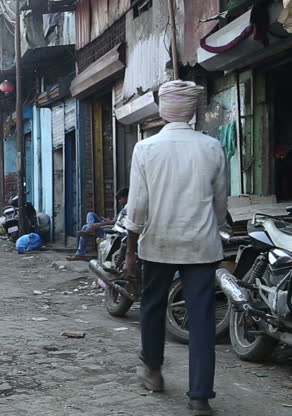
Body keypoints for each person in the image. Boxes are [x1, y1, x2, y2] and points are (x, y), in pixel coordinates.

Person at [123, 81, 227, 416]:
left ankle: (153, 372)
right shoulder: (212, 147)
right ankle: (199, 396)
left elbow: (137, 207)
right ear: (193, 109)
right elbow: (220, 204)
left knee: (152, 307)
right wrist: (215, 230)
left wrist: (130, 250)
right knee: (202, 319)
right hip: (201, 246)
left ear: (163, 109)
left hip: (158, 244)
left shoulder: (146, 148)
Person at [70, 188, 129, 261]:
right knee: (90, 214)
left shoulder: (128, 208)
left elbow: (116, 223)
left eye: (120, 199)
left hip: (114, 230)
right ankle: (90, 230)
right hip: (110, 224)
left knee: (84, 227)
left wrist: (99, 224)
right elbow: (115, 220)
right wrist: (107, 221)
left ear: (126, 197)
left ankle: (80, 252)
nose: (120, 201)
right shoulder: (124, 208)